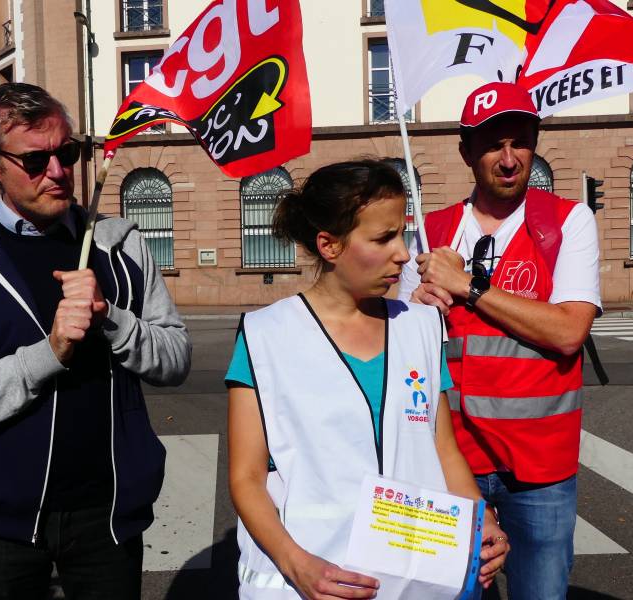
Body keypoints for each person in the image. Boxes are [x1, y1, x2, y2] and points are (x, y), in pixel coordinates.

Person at [0, 82, 191, 600]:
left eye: (67, 153)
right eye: (35, 160)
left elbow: (175, 360)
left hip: (109, 515)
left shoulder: (120, 246)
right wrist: (49, 354)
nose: (59, 172)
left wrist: (113, 322)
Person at [227, 160, 509, 599]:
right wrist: (296, 565)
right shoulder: (266, 335)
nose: (404, 253)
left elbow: (444, 450)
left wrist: (481, 520)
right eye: (383, 238)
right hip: (314, 579)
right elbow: (246, 476)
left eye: (402, 232)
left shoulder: (422, 326)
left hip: (417, 578)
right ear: (330, 246)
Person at [398, 82, 601, 600]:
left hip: (540, 470)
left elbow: (567, 331)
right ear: (466, 152)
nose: (509, 159)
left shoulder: (568, 221)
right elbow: (398, 347)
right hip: (451, 462)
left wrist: (468, 286)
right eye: (493, 144)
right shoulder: (429, 232)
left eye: (521, 142)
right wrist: (415, 309)